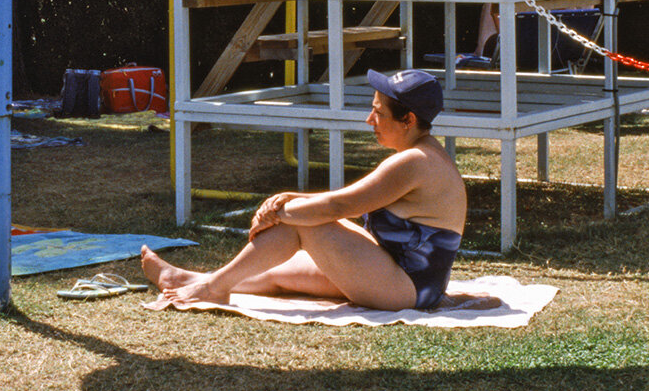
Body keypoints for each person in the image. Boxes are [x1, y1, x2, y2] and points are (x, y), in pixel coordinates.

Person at [141, 68, 466, 311]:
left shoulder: (414, 162)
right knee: (280, 272)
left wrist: (280, 212)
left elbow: (340, 207)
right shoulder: (423, 155)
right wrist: (291, 200)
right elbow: (342, 201)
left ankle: (213, 288)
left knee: (301, 223)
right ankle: (193, 280)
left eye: (379, 113)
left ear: (408, 119)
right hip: (404, 277)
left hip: (408, 289)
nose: (370, 120)